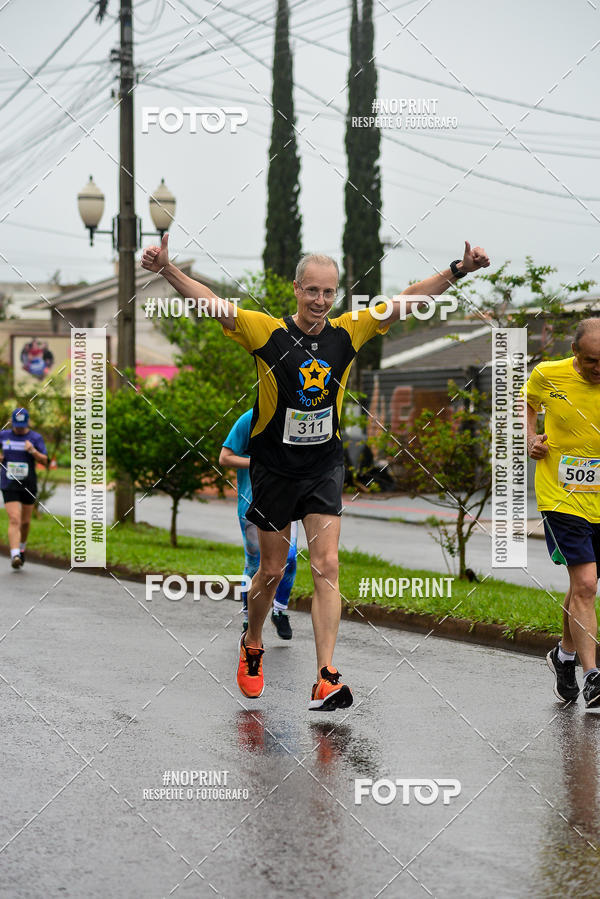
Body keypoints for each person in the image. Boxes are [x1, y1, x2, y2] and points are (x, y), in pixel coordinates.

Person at [142, 235, 490, 709]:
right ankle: (253, 640)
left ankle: (326, 674)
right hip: (274, 469)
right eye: (312, 291)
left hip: (323, 465)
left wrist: (457, 270)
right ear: (296, 290)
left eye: (328, 293)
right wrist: (168, 271)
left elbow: (405, 302)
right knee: (271, 568)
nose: (320, 301)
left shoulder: (348, 332)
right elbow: (216, 306)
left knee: (327, 565)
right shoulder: (267, 333)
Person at [526, 318, 600, 708]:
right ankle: (593, 676)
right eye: (592, 361)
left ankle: (564, 656)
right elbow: (527, 403)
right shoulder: (547, 374)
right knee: (587, 584)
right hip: (561, 495)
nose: (599, 369)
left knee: (581, 586)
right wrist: (530, 438)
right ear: (575, 354)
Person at [220, 409, 298, 640]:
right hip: (252, 504)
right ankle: (248, 619)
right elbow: (225, 457)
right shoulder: (250, 418)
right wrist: (262, 463)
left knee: (290, 559)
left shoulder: (294, 416)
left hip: (287, 502)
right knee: (255, 564)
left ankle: (279, 611)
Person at [1, 408, 48, 569]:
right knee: (14, 518)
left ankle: (21, 547)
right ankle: (15, 554)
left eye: (22, 425)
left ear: (27, 422)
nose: (19, 429)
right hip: (9, 483)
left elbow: (45, 461)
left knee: (25, 522)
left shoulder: (35, 438)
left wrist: (33, 451)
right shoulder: (4, 436)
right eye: (16, 425)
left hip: (28, 484)